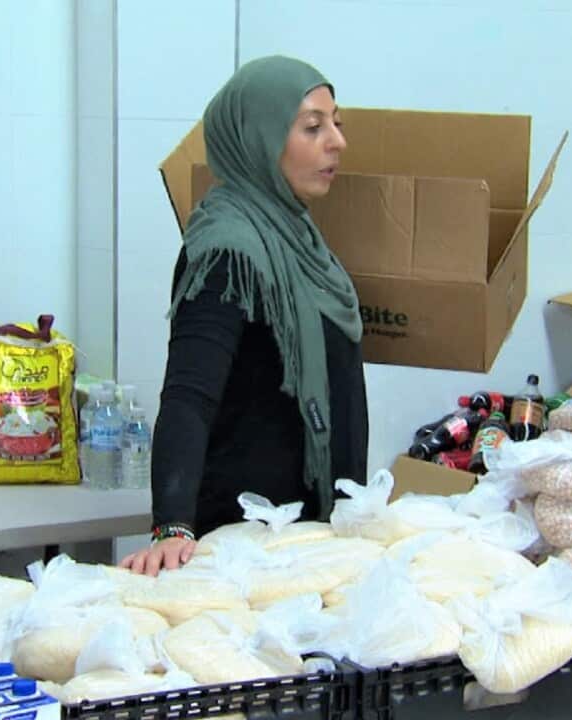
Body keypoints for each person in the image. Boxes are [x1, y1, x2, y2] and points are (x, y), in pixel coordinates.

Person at [119, 56, 368, 576]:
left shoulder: (299, 240)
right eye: (313, 127)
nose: (337, 142)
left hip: (307, 542)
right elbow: (188, 397)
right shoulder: (227, 251)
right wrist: (172, 525)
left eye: (336, 123)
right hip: (243, 548)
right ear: (259, 137)